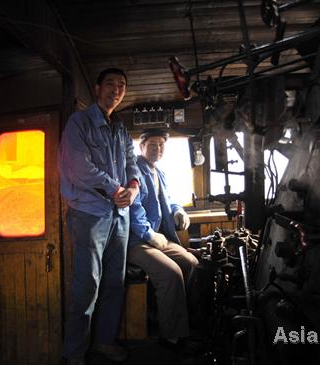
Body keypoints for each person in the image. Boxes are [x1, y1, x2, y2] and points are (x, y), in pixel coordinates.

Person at [59, 68, 140, 365]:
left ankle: (103, 343)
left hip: (120, 214)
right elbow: (79, 168)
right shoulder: (78, 123)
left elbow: (133, 165)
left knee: (113, 284)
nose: (116, 90)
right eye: (110, 84)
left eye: (121, 85)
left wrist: (132, 189)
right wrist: (115, 188)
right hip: (89, 214)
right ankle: (74, 354)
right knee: (86, 286)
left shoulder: (121, 130)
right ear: (97, 88)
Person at [128, 128, 198, 353]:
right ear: (142, 146)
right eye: (152, 144)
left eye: (161, 145)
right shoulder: (135, 169)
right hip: (137, 240)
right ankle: (172, 338)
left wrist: (179, 211)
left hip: (159, 238)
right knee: (171, 274)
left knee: (192, 264)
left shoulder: (160, 173)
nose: (157, 149)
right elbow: (134, 208)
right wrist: (149, 235)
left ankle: (174, 317)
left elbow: (168, 199)